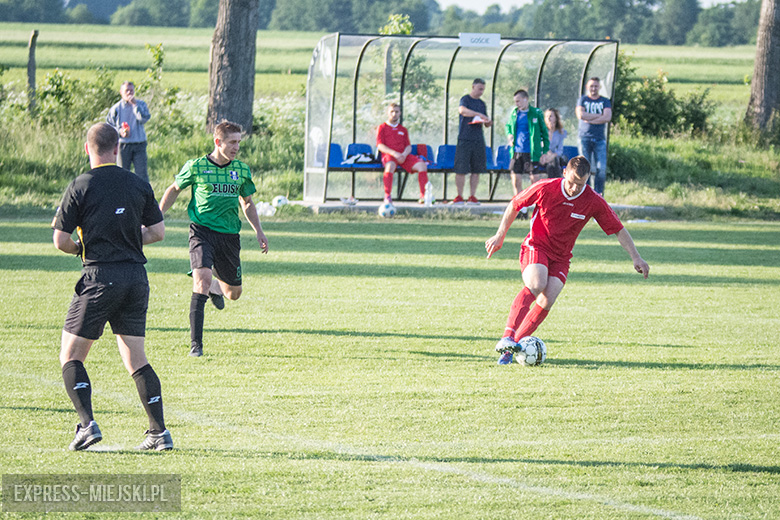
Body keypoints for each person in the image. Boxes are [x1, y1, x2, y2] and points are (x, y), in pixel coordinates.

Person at [52, 123, 172, 451]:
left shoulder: (81, 185)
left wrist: (82, 248)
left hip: (99, 278)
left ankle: (87, 425)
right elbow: (158, 232)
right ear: (117, 148)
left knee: (71, 356)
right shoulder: (137, 183)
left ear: (87, 148)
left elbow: (60, 240)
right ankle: (159, 432)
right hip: (136, 279)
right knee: (137, 358)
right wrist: (131, 240)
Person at [485, 156, 649, 365]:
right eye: (571, 182)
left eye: (580, 184)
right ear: (564, 173)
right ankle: (507, 336)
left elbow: (618, 229)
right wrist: (500, 235)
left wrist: (636, 257)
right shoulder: (545, 188)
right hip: (536, 246)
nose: (573, 188)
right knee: (537, 283)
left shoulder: (593, 200)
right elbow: (515, 204)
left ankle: (511, 348)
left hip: (562, 257)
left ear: (587, 180)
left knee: (548, 298)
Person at [159, 120, 269, 358]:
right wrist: (157, 216)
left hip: (229, 236)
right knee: (200, 281)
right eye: (232, 142)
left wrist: (259, 231)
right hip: (201, 231)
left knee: (234, 293)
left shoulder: (241, 170)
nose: (236, 147)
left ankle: (216, 287)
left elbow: (247, 202)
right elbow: (175, 188)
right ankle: (195, 346)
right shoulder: (196, 167)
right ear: (218, 142)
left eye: (239, 142)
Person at [376, 102, 429, 204]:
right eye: (392, 112)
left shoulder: (403, 129)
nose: (394, 114)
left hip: (403, 156)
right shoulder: (382, 127)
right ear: (388, 113)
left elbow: (408, 146)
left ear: (400, 113)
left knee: (422, 166)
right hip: (390, 156)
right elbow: (380, 146)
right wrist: (395, 154)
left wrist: (404, 154)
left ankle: (423, 195)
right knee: (390, 166)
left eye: (396, 112)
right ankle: (387, 195)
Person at [452, 78, 492, 205]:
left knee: (477, 169)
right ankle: (459, 196)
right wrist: (478, 114)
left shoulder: (482, 104)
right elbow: (462, 110)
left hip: (478, 139)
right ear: (473, 87)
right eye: (479, 89)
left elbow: (485, 122)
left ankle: (472, 196)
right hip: (464, 138)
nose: (481, 92)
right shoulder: (465, 99)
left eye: (483, 90)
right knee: (461, 168)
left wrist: (487, 121)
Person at [504, 89, 549, 195]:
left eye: (518, 101)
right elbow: (508, 126)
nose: (516, 104)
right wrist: (510, 135)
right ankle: (521, 208)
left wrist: (545, 151)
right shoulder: (515, 113)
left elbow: (544, 133)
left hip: (532, 152)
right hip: (517, 151)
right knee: (516, 180)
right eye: (515, 101)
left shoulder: (536, 113)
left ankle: (537, 204)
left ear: (526, 99)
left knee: (535, 180)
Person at [106, 81, 151, 183]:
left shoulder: (141, 104)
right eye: (127, 90)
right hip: (123, 145)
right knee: (122, 173)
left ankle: (145, 196)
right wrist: (119, 131)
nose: (129, 93)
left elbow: (143, 119)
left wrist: (135, 106)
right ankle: (123, 197)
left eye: (131, 90)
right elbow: (109, 126)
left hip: (139, 143)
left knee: (141, 173)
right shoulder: (116, 108)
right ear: (121, 92)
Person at [576, 77, 612, 195]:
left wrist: (590, 118)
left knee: (601, 168)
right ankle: (586, 192)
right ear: (587, 87)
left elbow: (607, 117)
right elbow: (581, 115)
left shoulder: (605, 101)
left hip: (599, 138)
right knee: (584, 167)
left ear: (599, 87)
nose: (593, 88)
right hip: (584, 137)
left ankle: (598, 193)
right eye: (591, 86)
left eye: (596, 86)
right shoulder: (583, 99)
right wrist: (598, 116)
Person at [539, 108, 568, 178]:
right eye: (547, 116)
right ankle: (557, 183)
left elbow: (560, 150)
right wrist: (548, 154)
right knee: (552, 162)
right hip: (543, 157)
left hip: (556, 157)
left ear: (556, 118)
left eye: (551, 116)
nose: (548, 118)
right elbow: (540, 146)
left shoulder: (561, 132)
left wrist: (553, 155)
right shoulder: (541, 131)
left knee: (553, 161)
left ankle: (553, 184)